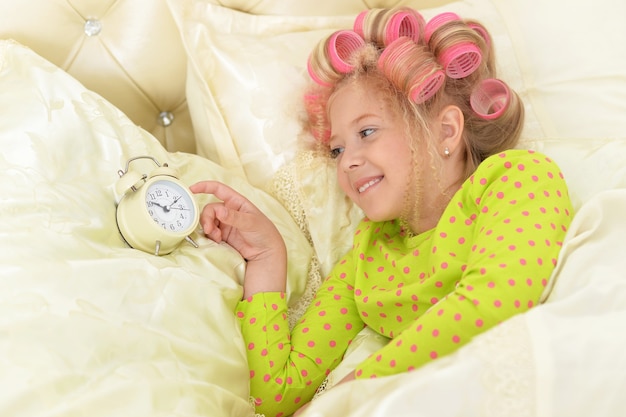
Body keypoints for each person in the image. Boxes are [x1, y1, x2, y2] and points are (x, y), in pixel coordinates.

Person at [191, 7, 573, 417]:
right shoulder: (369, 255)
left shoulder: (515, 178)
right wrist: (268, 257)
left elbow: (495, 301)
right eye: (337, 149)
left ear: (446, 130)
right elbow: (277, 395)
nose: (346, 163)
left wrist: (355, 390)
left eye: (367, 132)